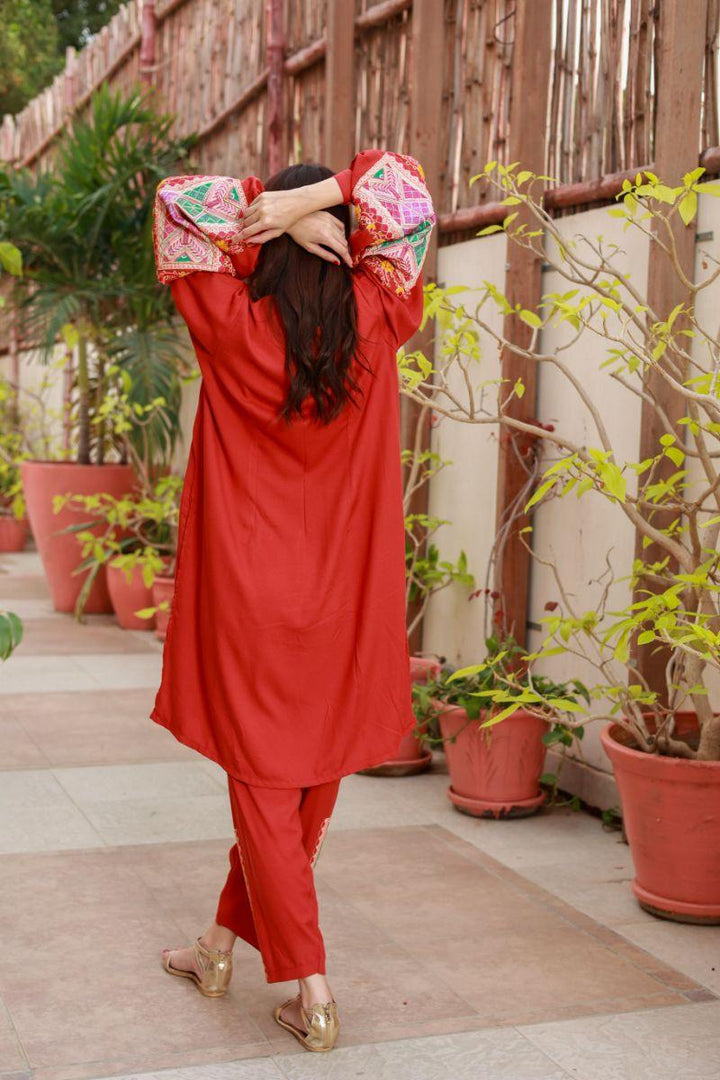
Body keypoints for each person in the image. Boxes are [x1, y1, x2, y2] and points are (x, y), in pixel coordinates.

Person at [151, 148, 436, 1052]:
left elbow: (176, 203)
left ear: (267, 244)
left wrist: (274, 209)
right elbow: (408, 192)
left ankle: (313, 992)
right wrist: (327, 202)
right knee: (298, 781)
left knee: (266, 785)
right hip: (343, 602)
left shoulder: (230, 322)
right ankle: (216, 949)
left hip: (246, 598)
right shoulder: (382, 314)